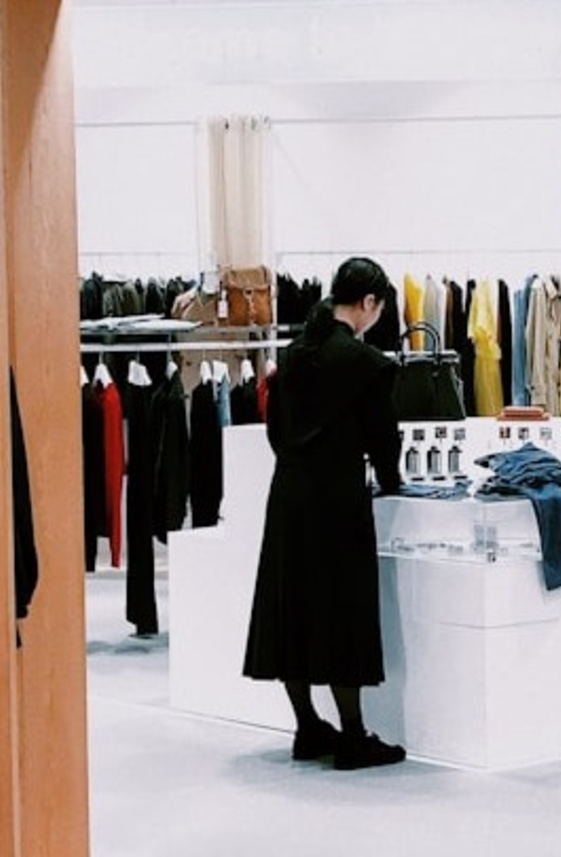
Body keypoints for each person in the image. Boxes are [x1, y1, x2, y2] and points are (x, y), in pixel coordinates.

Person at [242, 257, 408, 770]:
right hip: (337, 499)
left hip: (289, 494)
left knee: (293, 608)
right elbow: (383, 442)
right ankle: (353, 735)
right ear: (369, 303)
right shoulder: (366, 364)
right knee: (343, 611)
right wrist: (393, 483)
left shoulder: (294, 355)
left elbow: (275, 428)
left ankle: (308, 726)